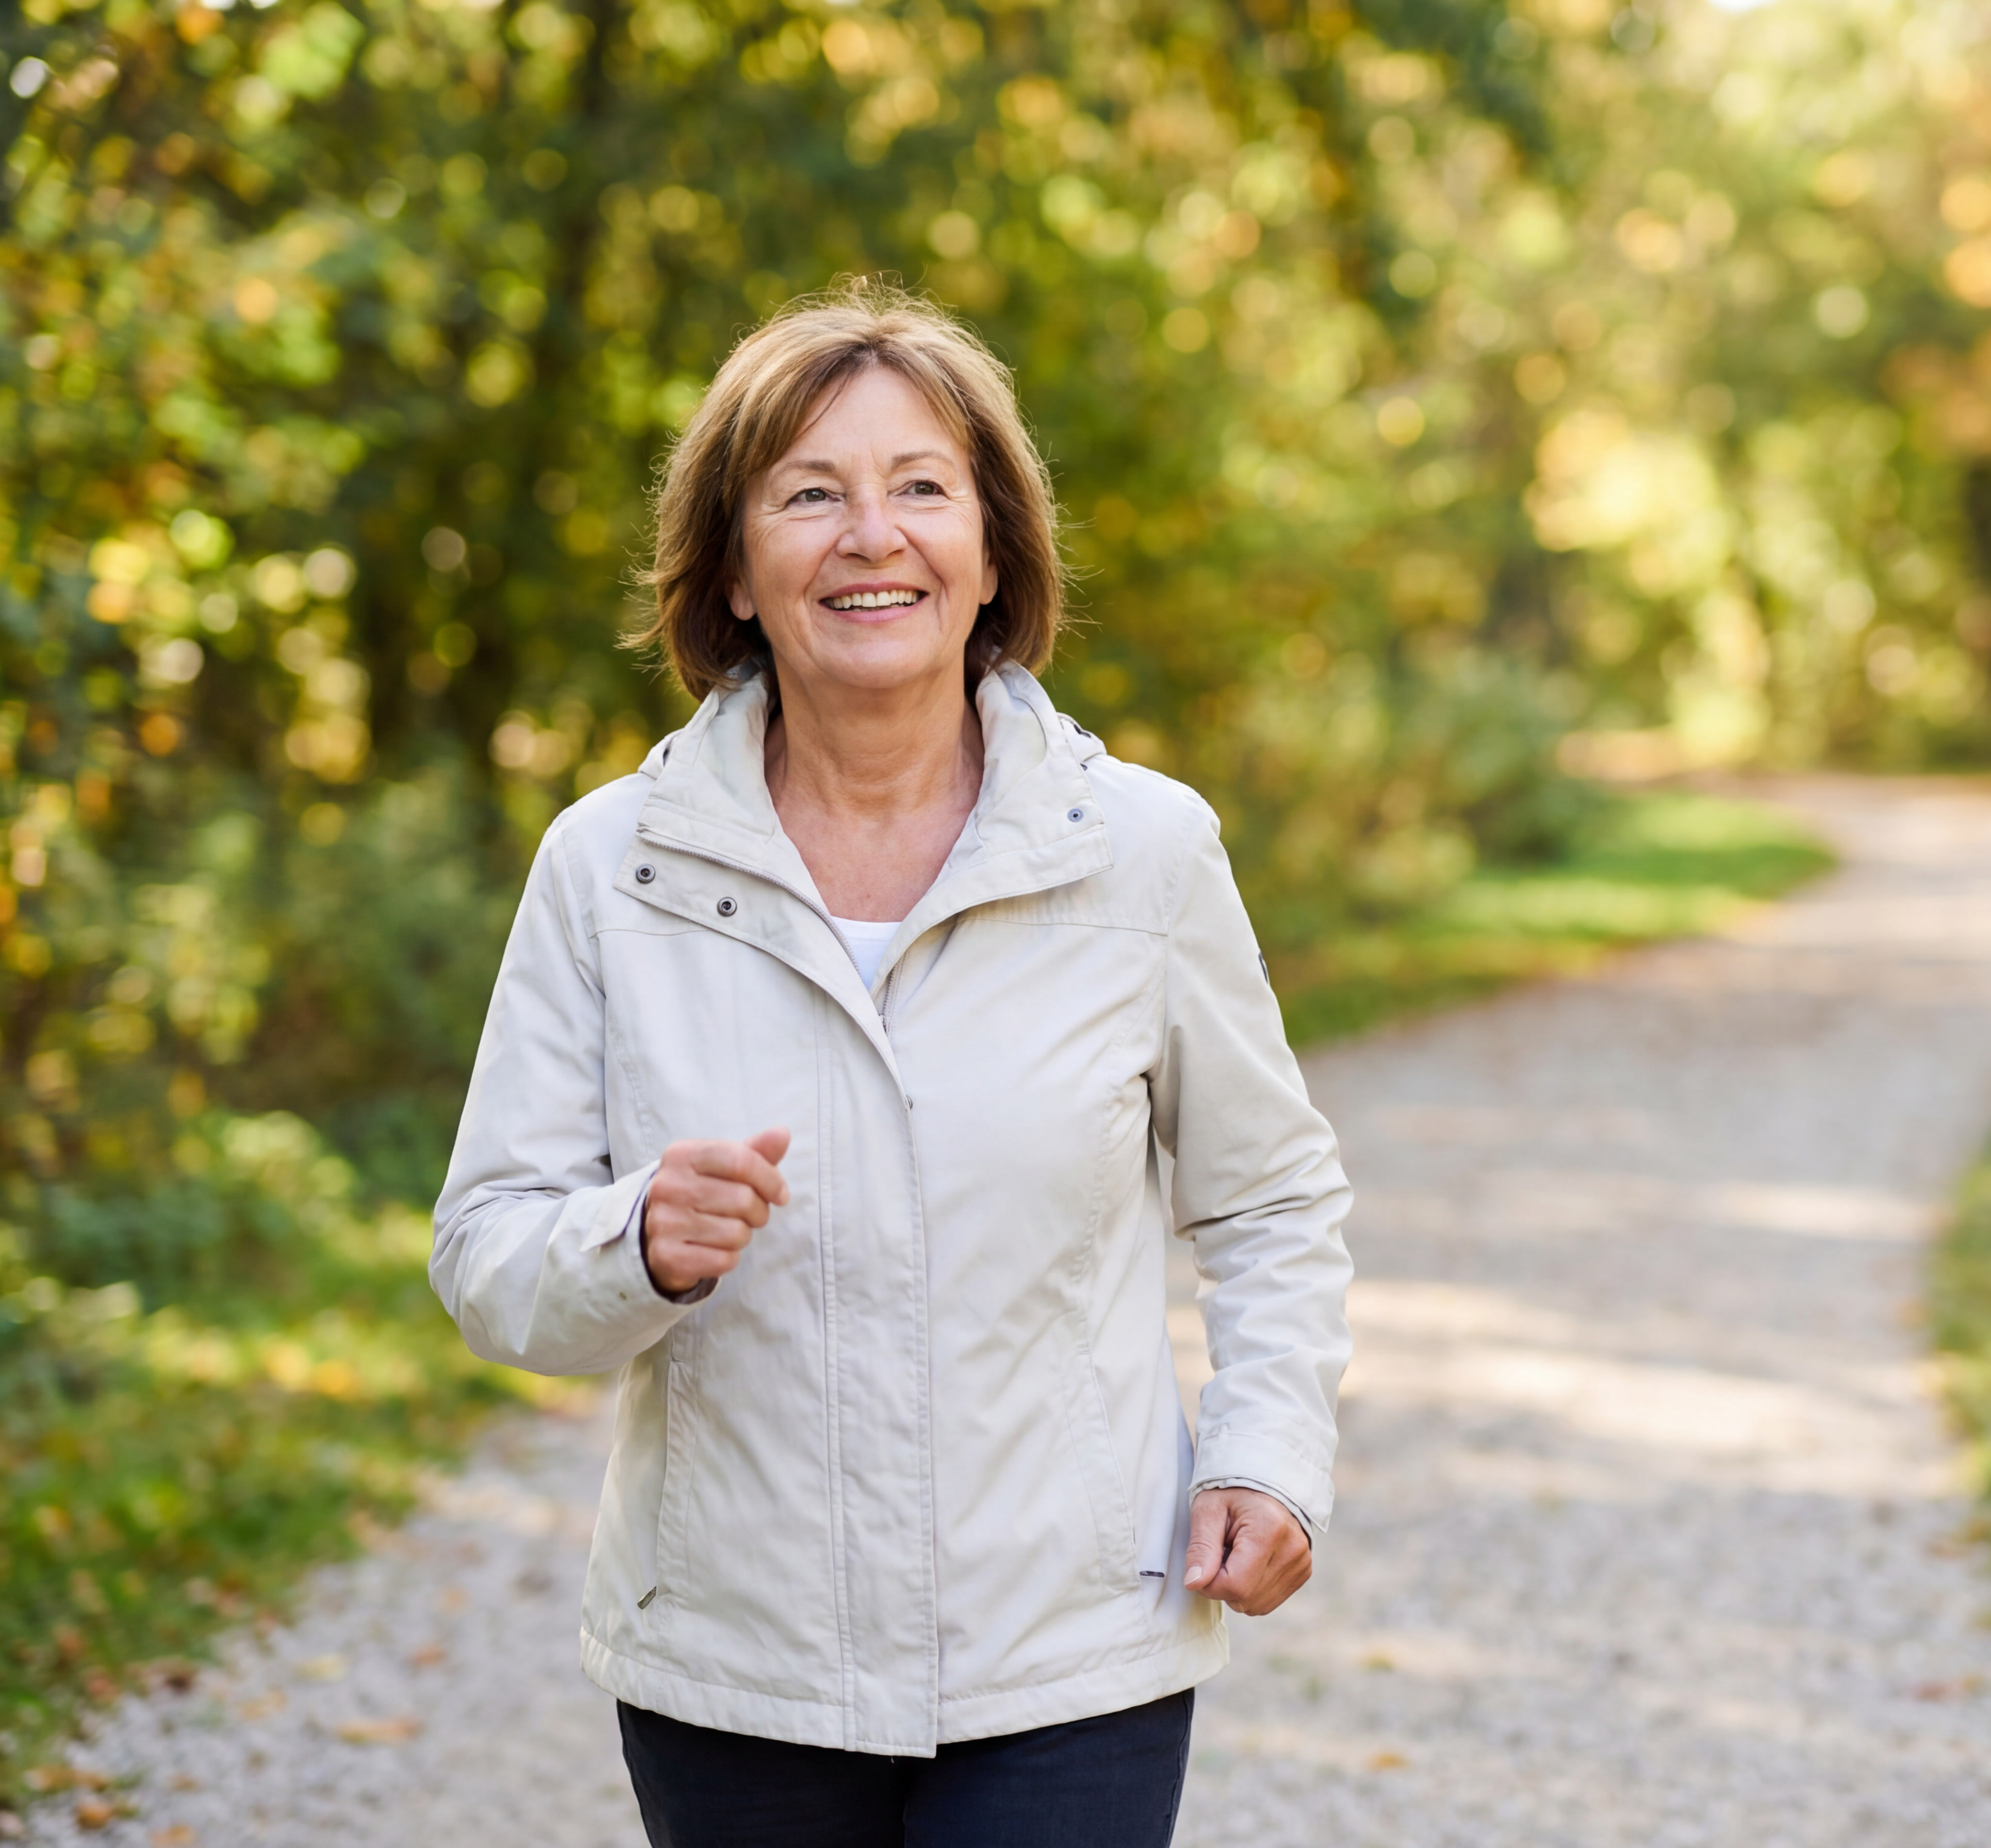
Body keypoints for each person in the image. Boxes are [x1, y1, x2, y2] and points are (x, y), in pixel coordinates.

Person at [430, 280, 1353, 1847]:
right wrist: (633, 1240)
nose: (872, 536)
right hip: (734, 1670)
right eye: (810, 494)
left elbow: (1269, 1204)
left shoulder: (1140, 853)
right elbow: (486, 1253)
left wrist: (1271, 1454)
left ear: (995, 552)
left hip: (1071, 1660)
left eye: (922, 488)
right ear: (733, 567)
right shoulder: (612, 869)